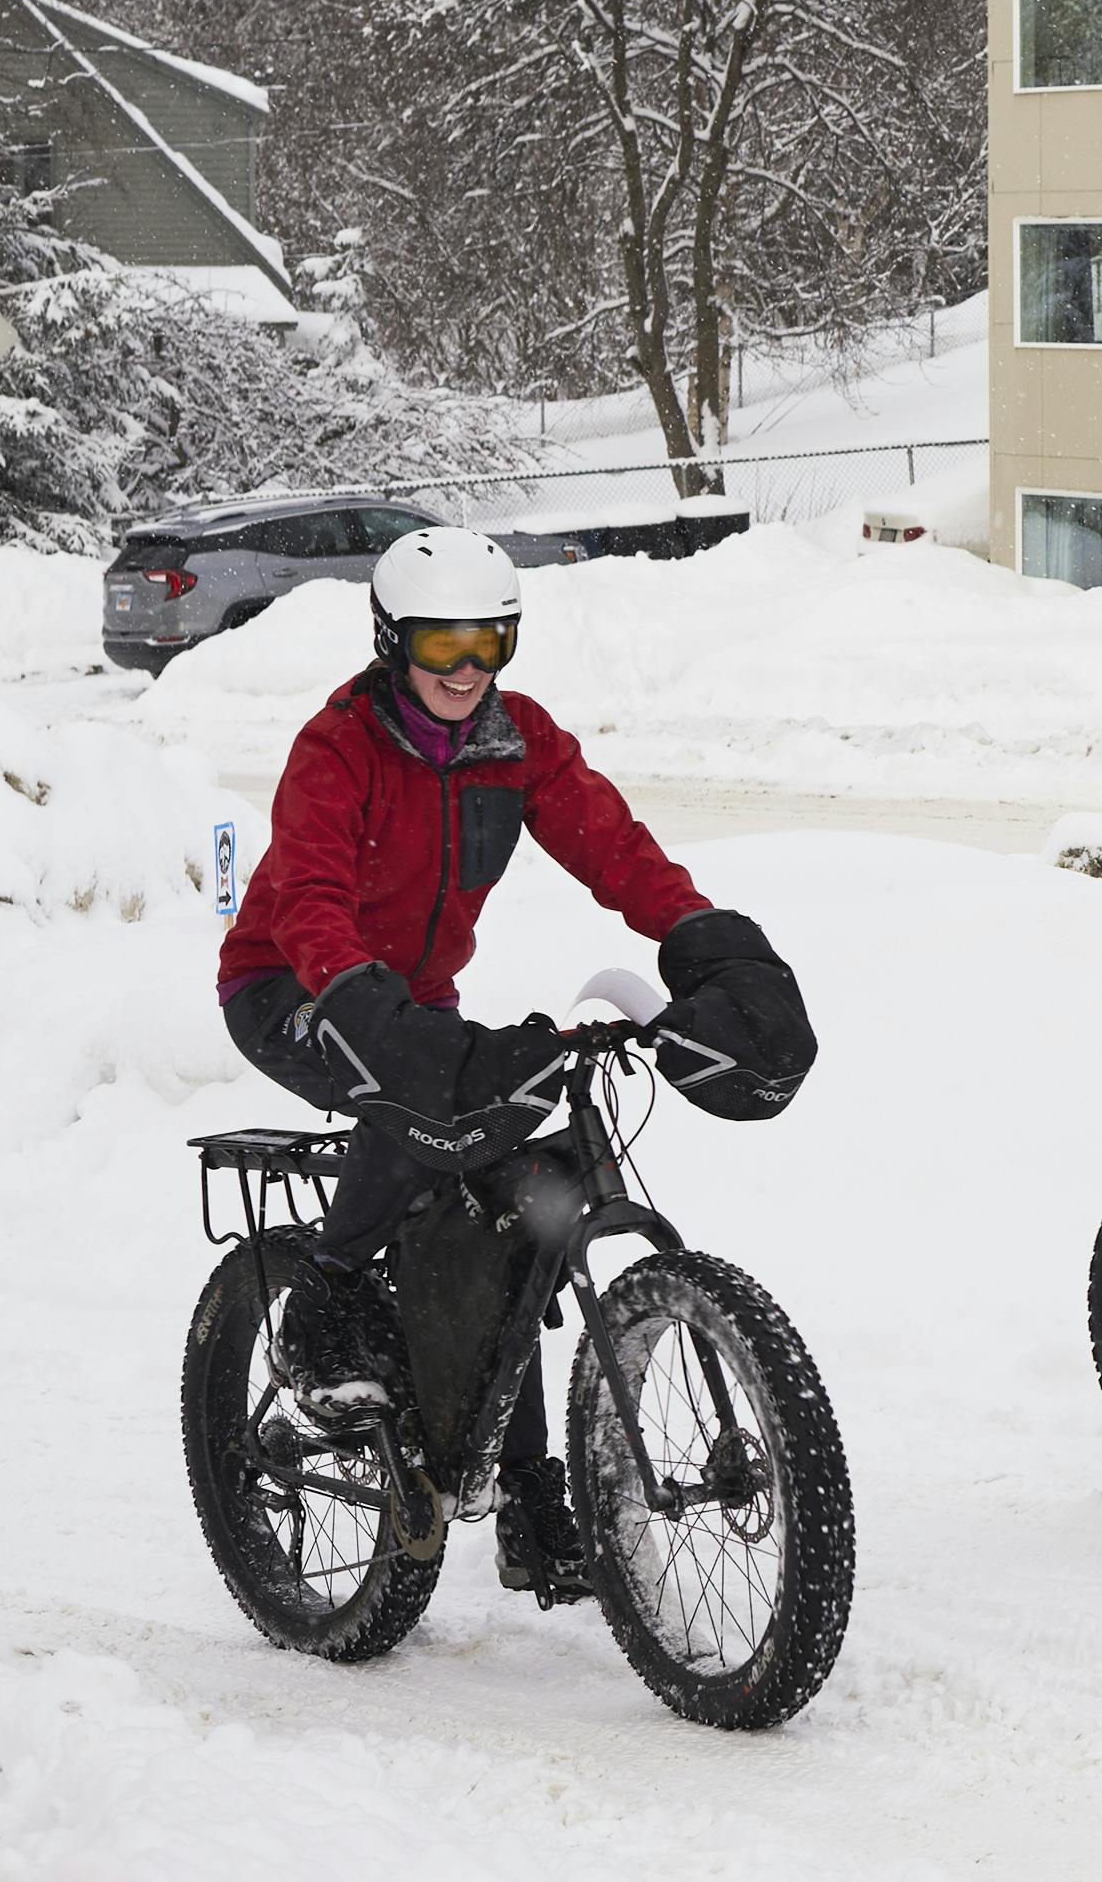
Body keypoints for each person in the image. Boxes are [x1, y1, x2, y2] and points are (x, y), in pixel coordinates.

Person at [215, 527, 814, 1598]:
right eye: (441, 642)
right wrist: (364, 1006)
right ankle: (325, 1297)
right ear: (394, 640)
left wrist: (703, 937)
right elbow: (306, 897)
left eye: (489, 642)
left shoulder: (516, 741)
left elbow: (612, 847)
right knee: (409, 1119)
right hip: (292, 988)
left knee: (515, 1202)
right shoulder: (338, 746)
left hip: (416, 999)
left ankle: (533, 1504)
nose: (464, 670)